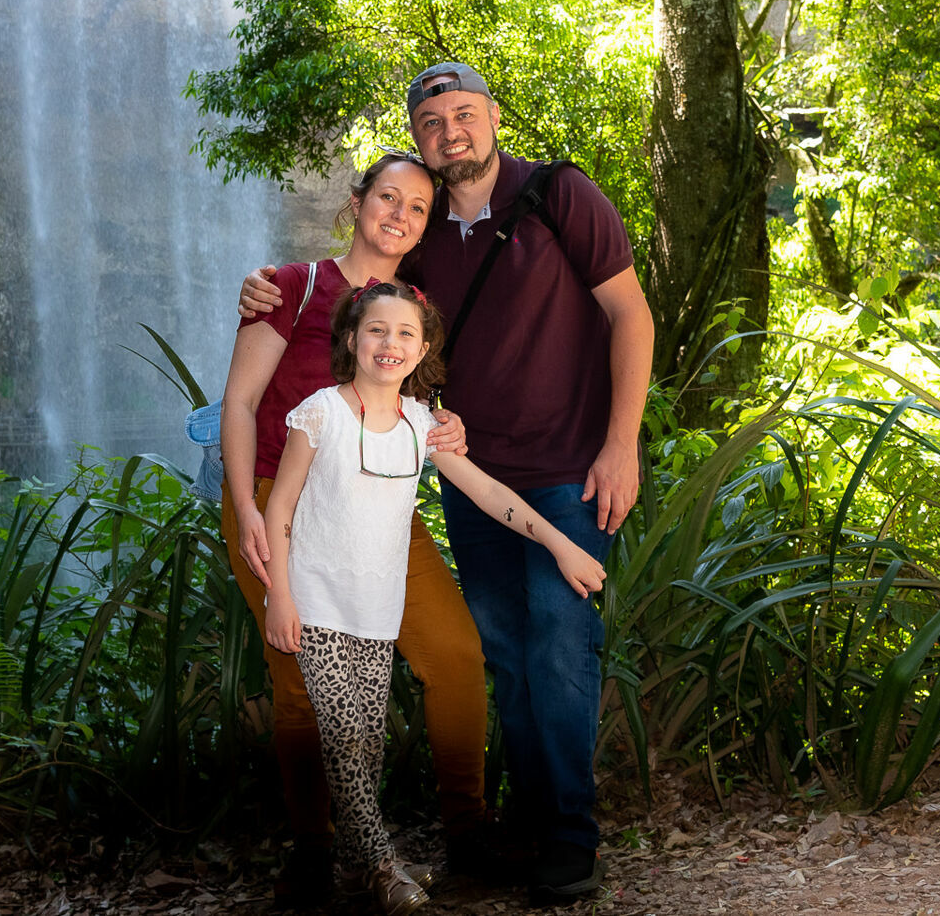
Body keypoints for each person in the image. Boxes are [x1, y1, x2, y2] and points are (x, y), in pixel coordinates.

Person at [241, 62, 656, 903]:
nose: (449, 132)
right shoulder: (364, 259)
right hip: (404, 486)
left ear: (494, 116)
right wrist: (262, 288)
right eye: (431, 124)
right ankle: (463, 835)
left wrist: (622, 445)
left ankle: (552, 838)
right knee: (496, 651)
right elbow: (288, 366)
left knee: (544, 648)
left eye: (464, 114)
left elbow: (629, 314)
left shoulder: (556, 198)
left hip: (556, 472)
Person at [264, 281, 606, 916]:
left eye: (404, 335)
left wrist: (562, 545)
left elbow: (489, 494)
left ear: (423, 352)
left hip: (377, 610)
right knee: (345, 738)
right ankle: (382, 868)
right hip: (316, 603)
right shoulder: (321, 413)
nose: (388, 344)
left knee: (367, 741)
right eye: (375, 331)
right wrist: (279, 595)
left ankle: (359, 864)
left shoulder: (422, 426)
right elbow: (280, 506)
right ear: (350, 340)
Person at [222, 151, 490, 904]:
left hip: (379, 511)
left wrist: (450, 426)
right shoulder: (295, 287)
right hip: (279, 502)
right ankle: (317, 854)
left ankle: (466, 835)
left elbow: (417, 406)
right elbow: (239, 402)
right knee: (300, 683)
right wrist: (244, 507)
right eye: (387, 197)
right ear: (356, 201)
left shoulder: (412, 305)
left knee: (456, 654)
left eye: (416, 207)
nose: (399, 214)